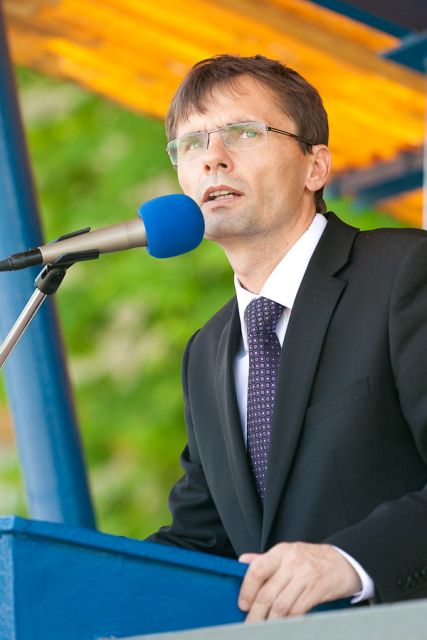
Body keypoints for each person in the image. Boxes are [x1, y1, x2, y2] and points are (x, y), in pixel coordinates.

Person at [147, 54, 427, 620]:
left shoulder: (405, 272)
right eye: (191, 143)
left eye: (243, 132)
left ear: (314, 167)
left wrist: (349, 561)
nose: (213, 158)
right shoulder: (206, 350)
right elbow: (200, 541)